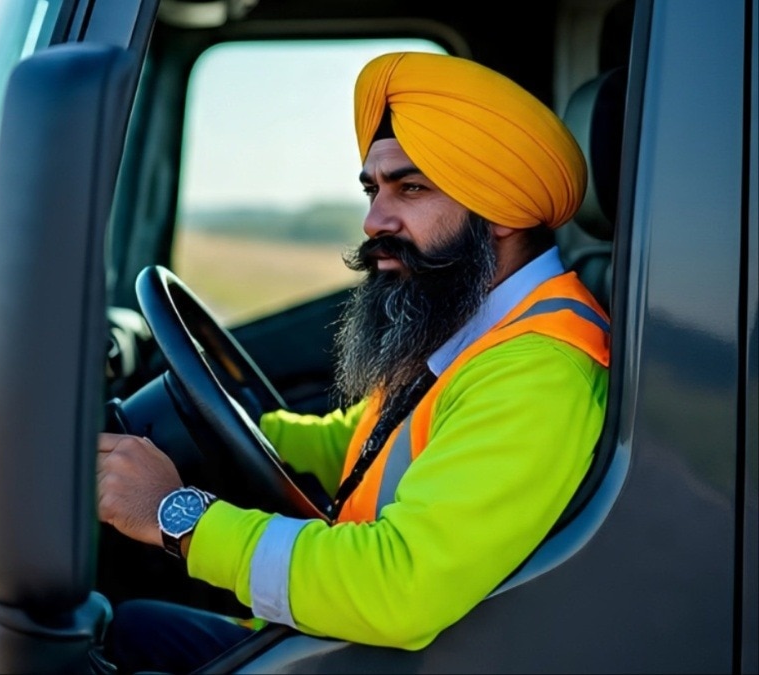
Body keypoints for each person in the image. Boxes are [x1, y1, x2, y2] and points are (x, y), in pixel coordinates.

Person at [96, 51, 610, 674]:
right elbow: (362, 445)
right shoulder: (475, 325)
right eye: (373, 189)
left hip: (387, 654)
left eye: (411, 188)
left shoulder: (537, 371)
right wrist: (212, 426)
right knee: (129, 628)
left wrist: (174, 516)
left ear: (502, 208)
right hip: (350, 644)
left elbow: (396, 589)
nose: (373, 221)